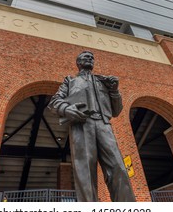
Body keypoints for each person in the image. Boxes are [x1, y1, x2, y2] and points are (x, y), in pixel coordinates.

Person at [48, 51, 136, 202]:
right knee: (85, 171)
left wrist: (114, 91)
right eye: (86, 56)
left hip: (104, 125)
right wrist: (66, 109)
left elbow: (116, 111)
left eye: (92, 57)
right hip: (81, 124)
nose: (90, 58)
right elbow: (54, 102)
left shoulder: (103, 82)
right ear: (78, 62)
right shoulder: (70, 81)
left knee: (118, 167)